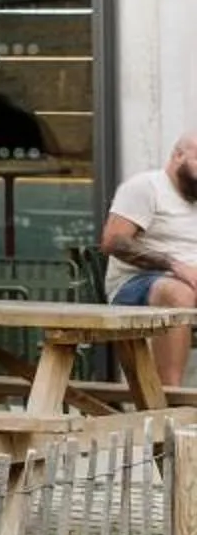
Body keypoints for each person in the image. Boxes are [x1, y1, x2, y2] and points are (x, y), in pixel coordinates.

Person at [100, 132, 197, 393]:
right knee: (179, 292)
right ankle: (168, 396)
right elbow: (112, 242)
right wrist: (174, 265)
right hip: (136, 285)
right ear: (179, 156)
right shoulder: (146, 187)